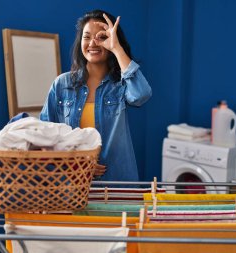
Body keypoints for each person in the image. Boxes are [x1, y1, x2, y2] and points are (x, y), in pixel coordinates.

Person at [40, 9, 152, 181]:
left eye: (101, 37)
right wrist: (75, 164)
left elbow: (141, 95)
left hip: (116, 185)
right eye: (86, 37)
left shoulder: (120, 85)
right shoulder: (62, 85)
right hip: (71, 185)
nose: (92, 43)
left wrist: (117, 48)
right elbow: (45, 136)